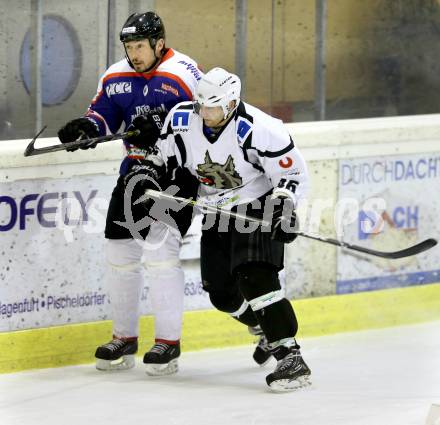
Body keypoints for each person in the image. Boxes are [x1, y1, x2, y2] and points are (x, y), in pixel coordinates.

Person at [127, 67, 312, 391]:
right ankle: (262, 329)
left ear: (231, 103)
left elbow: (292, 173)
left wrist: (284, 205)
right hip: (215, 207)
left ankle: (290, 357)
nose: (205, 113)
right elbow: (162, 158)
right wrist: (148, 176)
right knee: (221, 293)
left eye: (213, 107)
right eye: (201, 105)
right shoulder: (184, 119)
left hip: (256, 202)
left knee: (254, 275)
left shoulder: (259, 128)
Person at [57, 11, 202, 375]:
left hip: (176, 176)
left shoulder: (184, 72)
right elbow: (102, 114)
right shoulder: (115, 75)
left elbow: (207, 121)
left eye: (140, 46)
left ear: (159, 43)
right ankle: (125, 337)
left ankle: (168, 343)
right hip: (135, 174)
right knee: (120, 253)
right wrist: (87, 128)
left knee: (160, 256)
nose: (134, 53)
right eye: (129, 46)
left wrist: (165, 130)